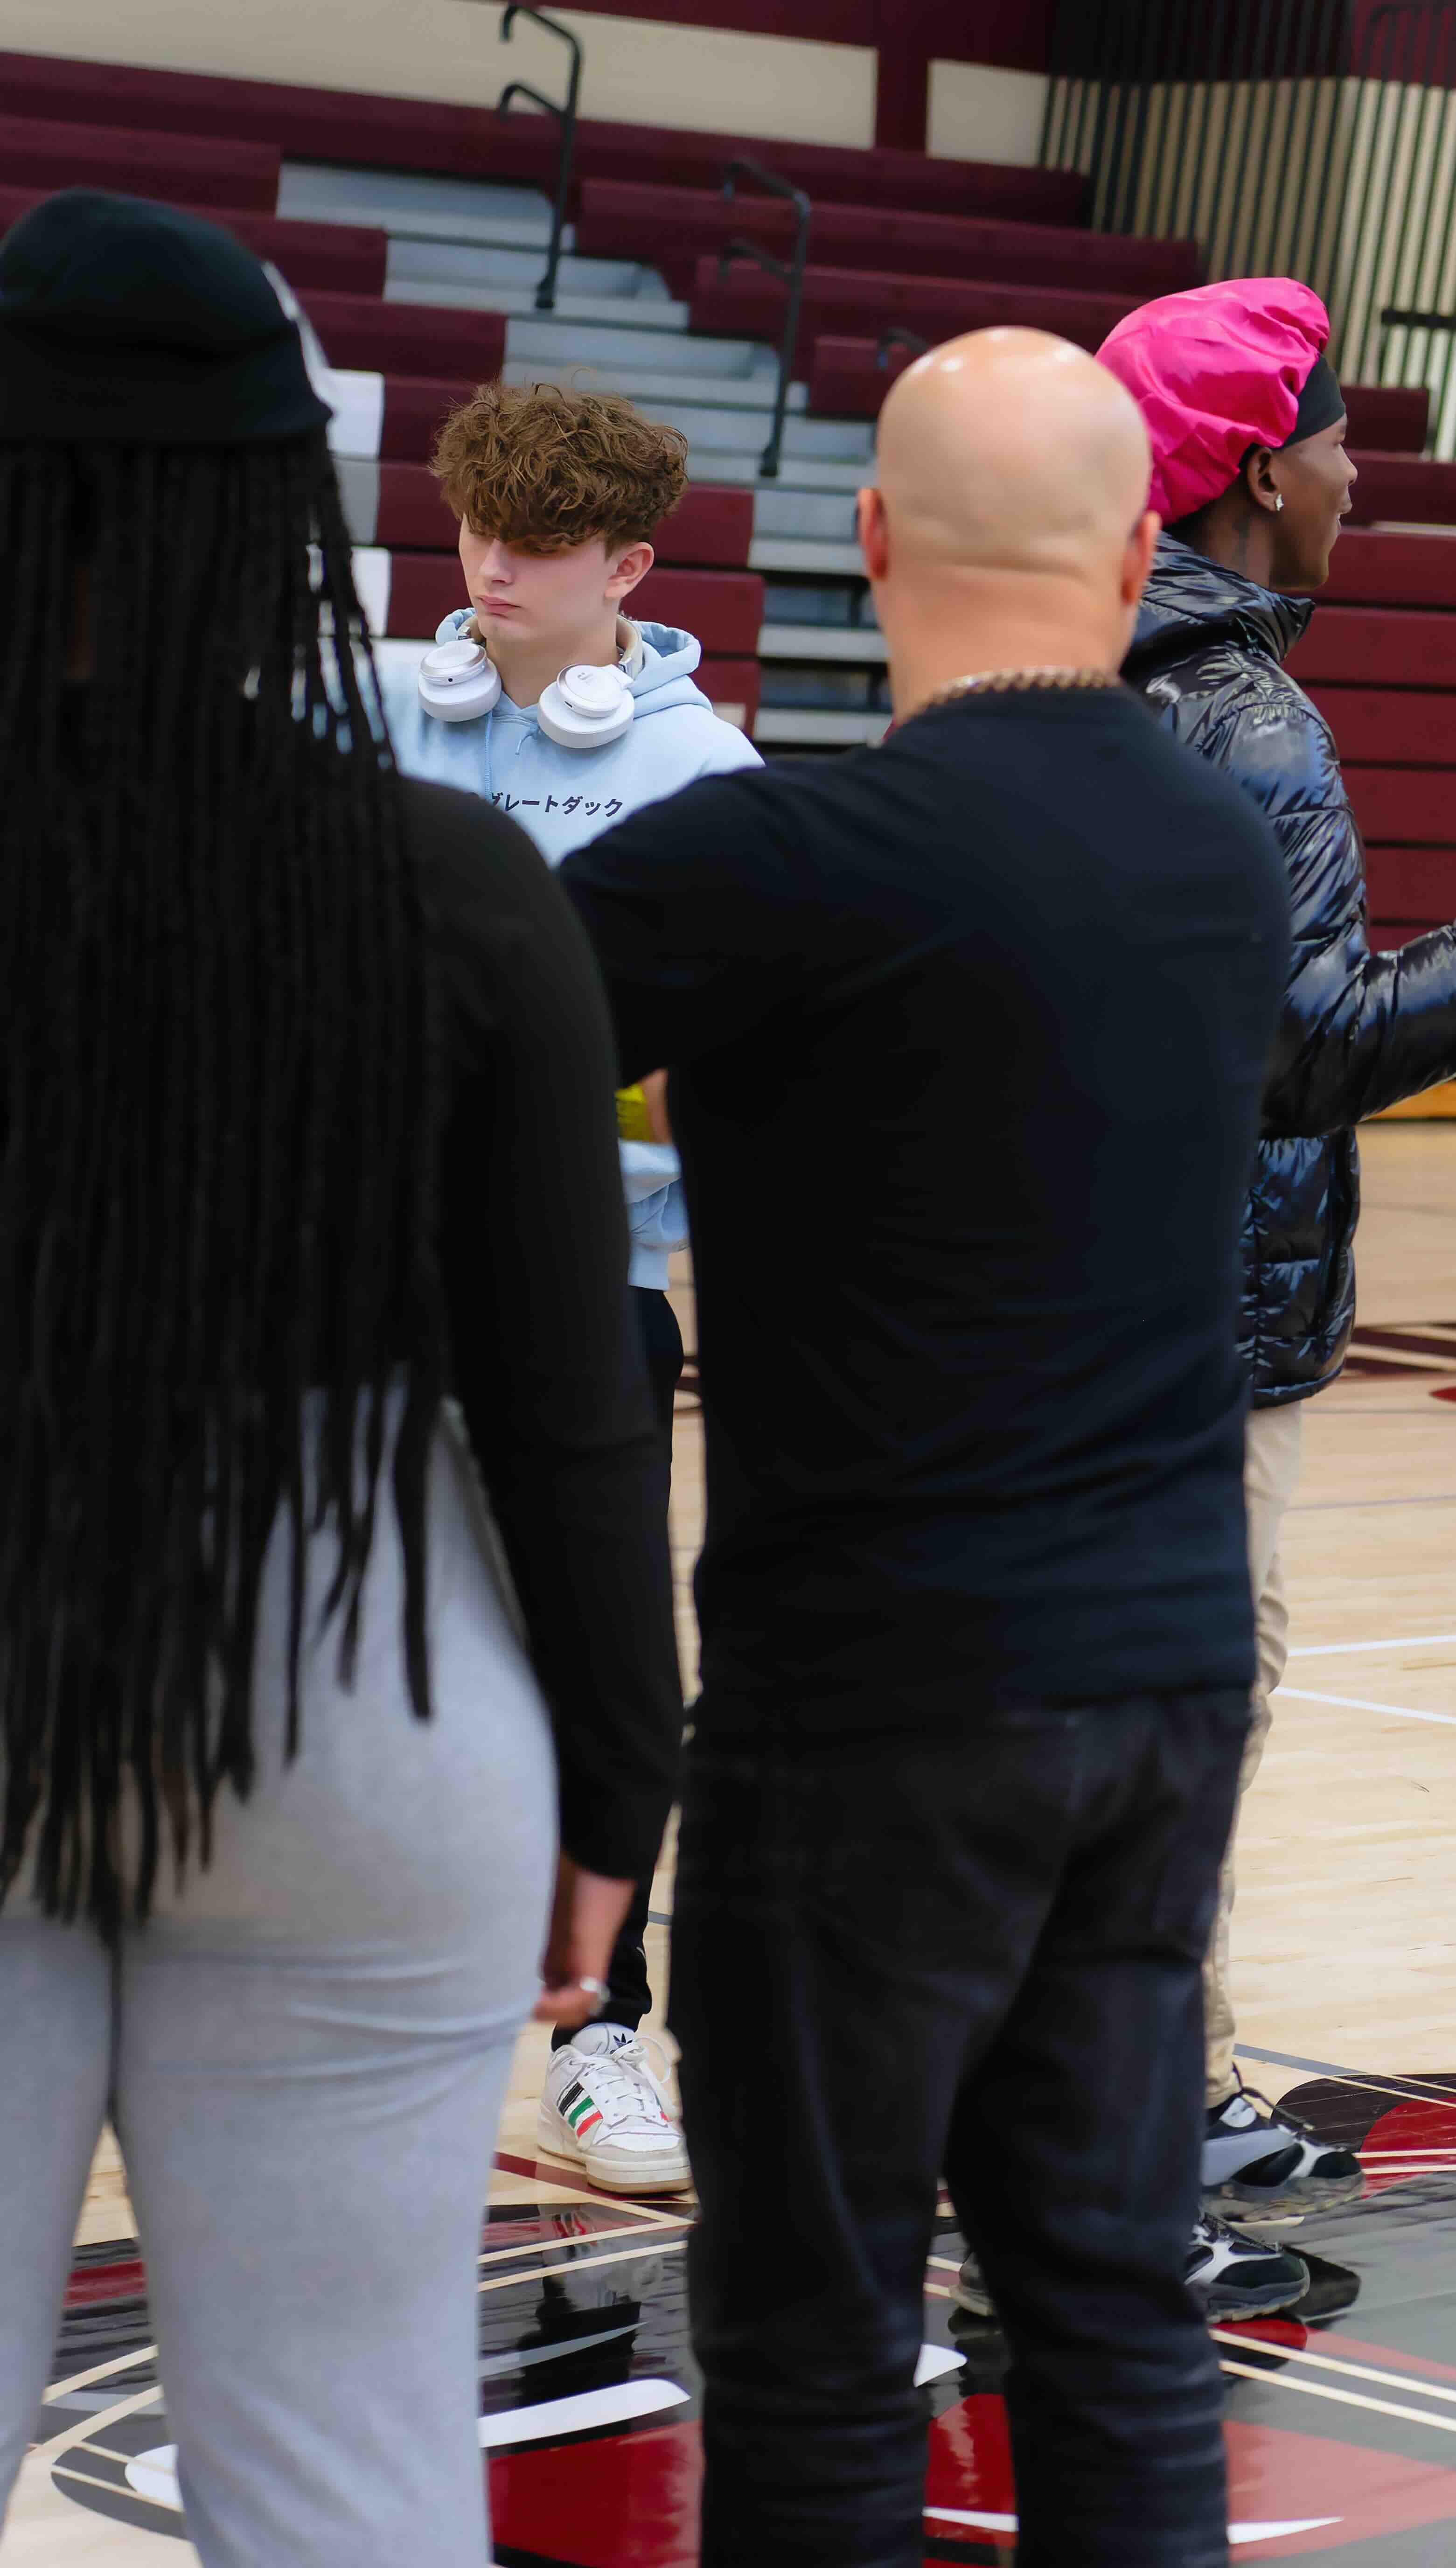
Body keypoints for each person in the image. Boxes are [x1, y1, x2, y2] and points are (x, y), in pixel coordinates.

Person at [562, 328, 1456, 2566]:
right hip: (1152, 1694)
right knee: (1111, 2316)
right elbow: (1305, 1051)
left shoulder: (777, 859)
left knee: (816, 2335)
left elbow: (455, 1046)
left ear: (866, 548)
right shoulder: (1213, 827)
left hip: (870, 1704)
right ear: (1146, 540)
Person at [0, 191, 672, 2564]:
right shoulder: (459, 883)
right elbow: (570, 1398)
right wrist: (624, 1774)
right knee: (349, 2465)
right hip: (368, 1693)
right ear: (292, 504)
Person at [1096, 279, 1456, 2280]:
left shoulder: (1063, 655)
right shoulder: (1250, 714)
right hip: (1188, 1330)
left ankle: (1172, 2084)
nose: (1363, 483)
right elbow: (1316, 1042)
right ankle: (1126, 2143)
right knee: (1182, 1718)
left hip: (1062, 1302)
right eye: (1346, 446)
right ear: (1264, 471)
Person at [391, 377, 763, 2196]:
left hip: (592, 1284)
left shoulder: (707, 778)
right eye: (470, 531)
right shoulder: (378, 702)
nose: (489, 571)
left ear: (628, 563)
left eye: (534, 546)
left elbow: (744, 1066)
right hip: (362, 1283)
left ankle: (601, 2035)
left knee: (591, 1662)